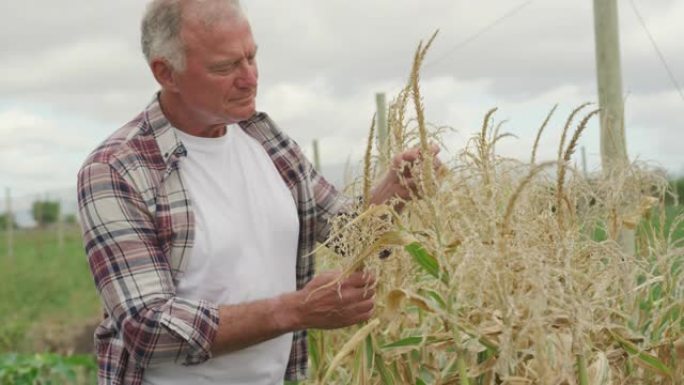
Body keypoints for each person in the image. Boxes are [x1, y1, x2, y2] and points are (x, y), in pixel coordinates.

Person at [77, 0, 439, 384]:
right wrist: (297, 310)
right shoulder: (116, 170)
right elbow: (148, 329)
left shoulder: (264, 138)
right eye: (225, 67)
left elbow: (350, 234)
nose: (250, 78)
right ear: (166, 73)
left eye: (251, 57)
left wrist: (394, 191)